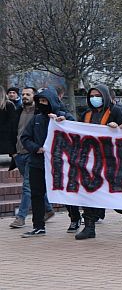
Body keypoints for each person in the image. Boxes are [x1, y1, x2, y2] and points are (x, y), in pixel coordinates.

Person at [69, 85, 122, 240]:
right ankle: (89, 227)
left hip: (111, 160)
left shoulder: (117, 111)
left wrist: (119, 128)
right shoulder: (86, 114)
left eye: (98, 95)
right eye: (92, 96)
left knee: (110, 194)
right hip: (90, 160)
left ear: (106, 96)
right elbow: (76, 131)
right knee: (88, 193)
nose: (95, 98)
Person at [20, 87, 76, 237]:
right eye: (40, 101)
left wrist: (64, 122)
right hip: (37, 163)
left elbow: (77, 131)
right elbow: (25, 138)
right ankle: (38, 226)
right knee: (37, 194)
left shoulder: (64, 117)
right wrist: (35, 148)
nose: (43, 104)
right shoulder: (36, 119)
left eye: (46, 101)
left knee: (66, 192)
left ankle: (75, 218)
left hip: (59, 164)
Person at [10, 87, 55, 228]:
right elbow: (13, 132)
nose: (24, 96)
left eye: (28, 94)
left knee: (27, 186)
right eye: (23, 94)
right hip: (19, 154)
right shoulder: (17, 112)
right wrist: (13, 152)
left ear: (34, 96)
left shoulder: (40, 113)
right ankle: (48, 209)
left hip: (33, 154)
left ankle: (21, 217)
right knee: (35, 187)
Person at [0, 87, 18, 158]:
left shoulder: (8, 105)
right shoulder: (9, 105)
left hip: (6, 141)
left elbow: (13, 124)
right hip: (7, 142)